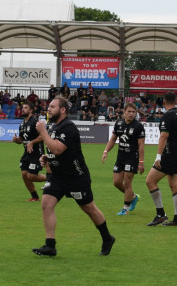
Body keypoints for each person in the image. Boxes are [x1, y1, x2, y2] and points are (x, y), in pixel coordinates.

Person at [30, 97, 114, 257]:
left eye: (52, 107)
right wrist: (47, 158)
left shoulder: (68, 127)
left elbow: (58, 149)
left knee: (89, 208)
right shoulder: (54, 126)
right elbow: (54, 151)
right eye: (49, 106)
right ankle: (50, 246)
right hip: (57, 176)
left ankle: (107, 238)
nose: (49, 109)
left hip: (76, 176)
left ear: (62, 110)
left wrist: (43, 133)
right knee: (46, 204)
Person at [144, 90, 177, 226]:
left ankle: (161, 214)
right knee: (175, 186)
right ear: (176, 101)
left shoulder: (167, 116)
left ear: (163, 102)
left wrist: (158, 156)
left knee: (150, 181)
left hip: (170, 154)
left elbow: (164, 136)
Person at [101, 102, 145, 216]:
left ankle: (125, 208)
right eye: (129, 111)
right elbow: (113, 139)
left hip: (132, 157)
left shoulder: (138, 126)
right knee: (116, 182)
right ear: (124, 112)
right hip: (120, 156)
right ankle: (134, 197)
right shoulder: (119, 123)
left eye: (133, 112)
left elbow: (141, 146)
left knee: (127, 182)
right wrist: (105, 151)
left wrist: (141, 162)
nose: (131, 114)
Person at [13, 102, 46, 201]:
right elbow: (22, 139)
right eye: (23, 107)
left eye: (26, 108)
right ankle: (35, 197)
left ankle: (51, 178)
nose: (23, 109)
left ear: (31, 110)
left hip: (37, 152)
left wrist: (32, 142)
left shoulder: (35, 122)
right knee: (24, 174)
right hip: (27, 152)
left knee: (31, 176)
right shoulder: (22, 124)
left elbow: (43, 136)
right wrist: (16, 140)